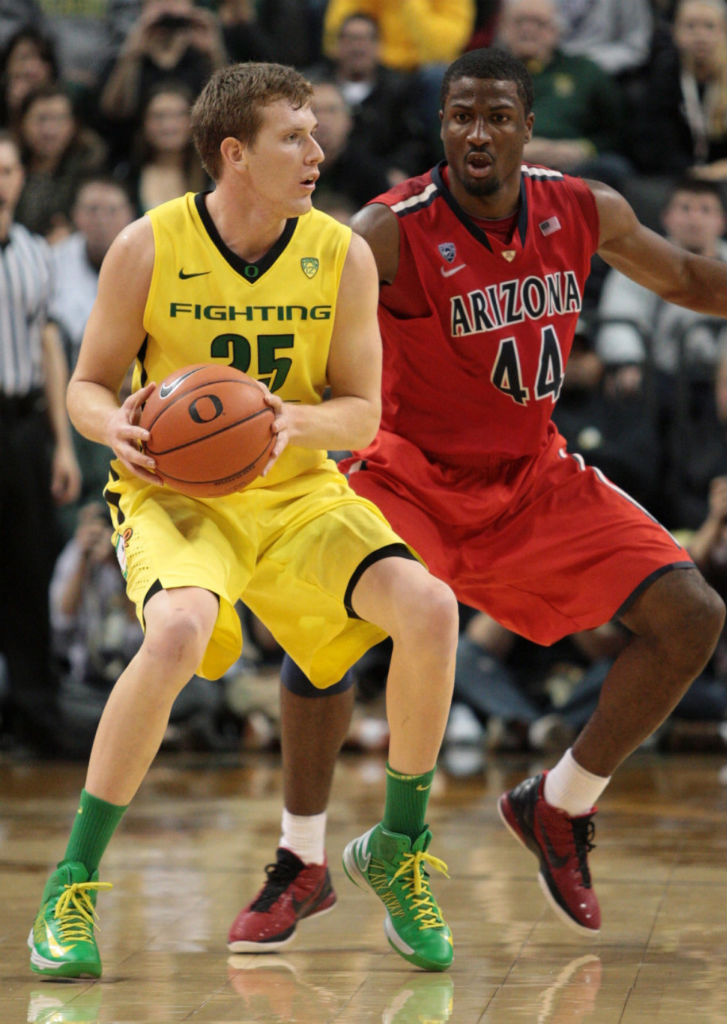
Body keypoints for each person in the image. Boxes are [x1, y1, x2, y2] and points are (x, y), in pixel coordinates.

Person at [234, 46, 726, 952]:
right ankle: (301, 858)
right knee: (318, 632)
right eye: (461, 114)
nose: (476, 133)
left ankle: (559, 804)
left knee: (690, 615)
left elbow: (692, 281)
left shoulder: (583, 208)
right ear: (441, 127)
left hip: (531, 477)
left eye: (497, 115)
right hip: (405, 474)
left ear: (527, 128)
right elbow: (296, 313)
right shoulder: (390, 228)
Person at [27, 61, 459, 980]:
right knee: (178, 629)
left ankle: (398, 847)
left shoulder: (341, 251)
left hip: (298, 490)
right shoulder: (147, 245)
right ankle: (68, 888)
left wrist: (295, 421)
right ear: (234, 153)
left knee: (428, 608)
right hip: (177, 494)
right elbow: (85, 384)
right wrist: (118, 429)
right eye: (293, 137)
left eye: (315, 132)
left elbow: (363, 411)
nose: (317, 150)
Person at [0, 130, 81, 755]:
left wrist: (60, 442)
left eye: (7, 169)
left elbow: (51, 346)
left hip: (24, 421)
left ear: (20, 177)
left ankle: (36, 714)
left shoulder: (37, 254)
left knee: (28, 570)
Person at [496, 0, 632, 192]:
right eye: (519, 21)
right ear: (503, 27)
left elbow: (618, 131)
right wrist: (513, 148)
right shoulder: (483, 73)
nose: (528, 29)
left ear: (556, 29)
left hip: (574, 168)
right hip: (504, 164)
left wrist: (584, 148)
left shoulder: (585, 71)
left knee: (613, 168)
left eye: (539, 23)